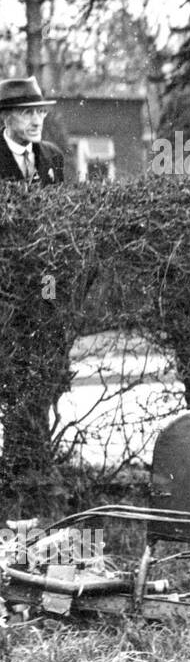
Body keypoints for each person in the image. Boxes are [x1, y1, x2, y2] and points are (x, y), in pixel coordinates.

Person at [0, 77, 68, 476]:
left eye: (40, 111)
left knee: (42, 372)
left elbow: (61, 225)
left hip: (43, 285)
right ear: (6, 118)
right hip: (5, 289)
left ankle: (35, 467)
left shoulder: (53, 158)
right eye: (27, 113)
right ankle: (15, 472)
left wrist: (52, 292)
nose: (36, 120)